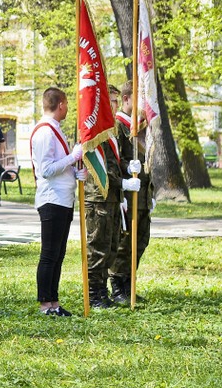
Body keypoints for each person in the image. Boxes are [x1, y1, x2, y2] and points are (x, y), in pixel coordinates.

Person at [30, 88, 85, 317]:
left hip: (63, 199)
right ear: (60, 104)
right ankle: (45, 303)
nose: (68, 108)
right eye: (67, 104)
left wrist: (74, 172)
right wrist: (73, 157)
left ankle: (54, 301)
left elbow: (58, 165)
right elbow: (46, 169)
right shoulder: (45, 132)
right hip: (52, 199)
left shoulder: (54, 129)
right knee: (49, 254)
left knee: (58, 254)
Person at [83, 85, 140, 308]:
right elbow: (102, 168)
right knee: (97, 248)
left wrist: (128, 166)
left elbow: (115, 162)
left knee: (111, 247)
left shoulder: (111, 130)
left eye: (116, 100)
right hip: (99, 197)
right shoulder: (95, 130)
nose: (115, 105)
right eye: (112, 101)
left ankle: (103, 291)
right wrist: (123, 182)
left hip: (113, 196)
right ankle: (94, 294)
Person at [110, 80, 153, 303]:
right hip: (127, 192)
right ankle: (118, 286)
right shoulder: (118, 126)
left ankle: (129, 283)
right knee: (125, 241)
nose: (143, 104)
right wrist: (127, 170)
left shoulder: (140, 126)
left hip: (142, 192)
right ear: (126, 99)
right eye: (139, 99)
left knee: (141, 239)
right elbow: (115, 159)